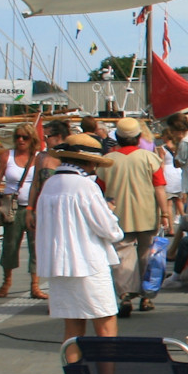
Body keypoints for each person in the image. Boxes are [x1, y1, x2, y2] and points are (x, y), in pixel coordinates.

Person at [37, 133, 123, 343]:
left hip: (59, 266)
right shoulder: (85, 186)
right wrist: (110, 211)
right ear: (90, 162)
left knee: (73, 331)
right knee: (105, 325)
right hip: (88, 264)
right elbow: (109, 230)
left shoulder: (49, 184)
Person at [100, 118, 169, 316]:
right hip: (147, 213)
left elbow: (100, 188)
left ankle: (125, 295)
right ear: (139, 138)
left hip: (118, 215)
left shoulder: (108, 160)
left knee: (122, 254)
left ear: (118, 138)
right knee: (147, 253)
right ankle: (146, 296)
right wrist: (165, 213)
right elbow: (159, 188)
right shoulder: (149, 158)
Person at [0, 127, 39, 300]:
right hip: (12, 207)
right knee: (10, 245)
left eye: (25, 137)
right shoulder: (8, 156)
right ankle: (6, 281)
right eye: (17, 136)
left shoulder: (38, 158)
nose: (21, 140)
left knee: (35, 246)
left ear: (32, 139)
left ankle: (35, 284)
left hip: (33, 208)